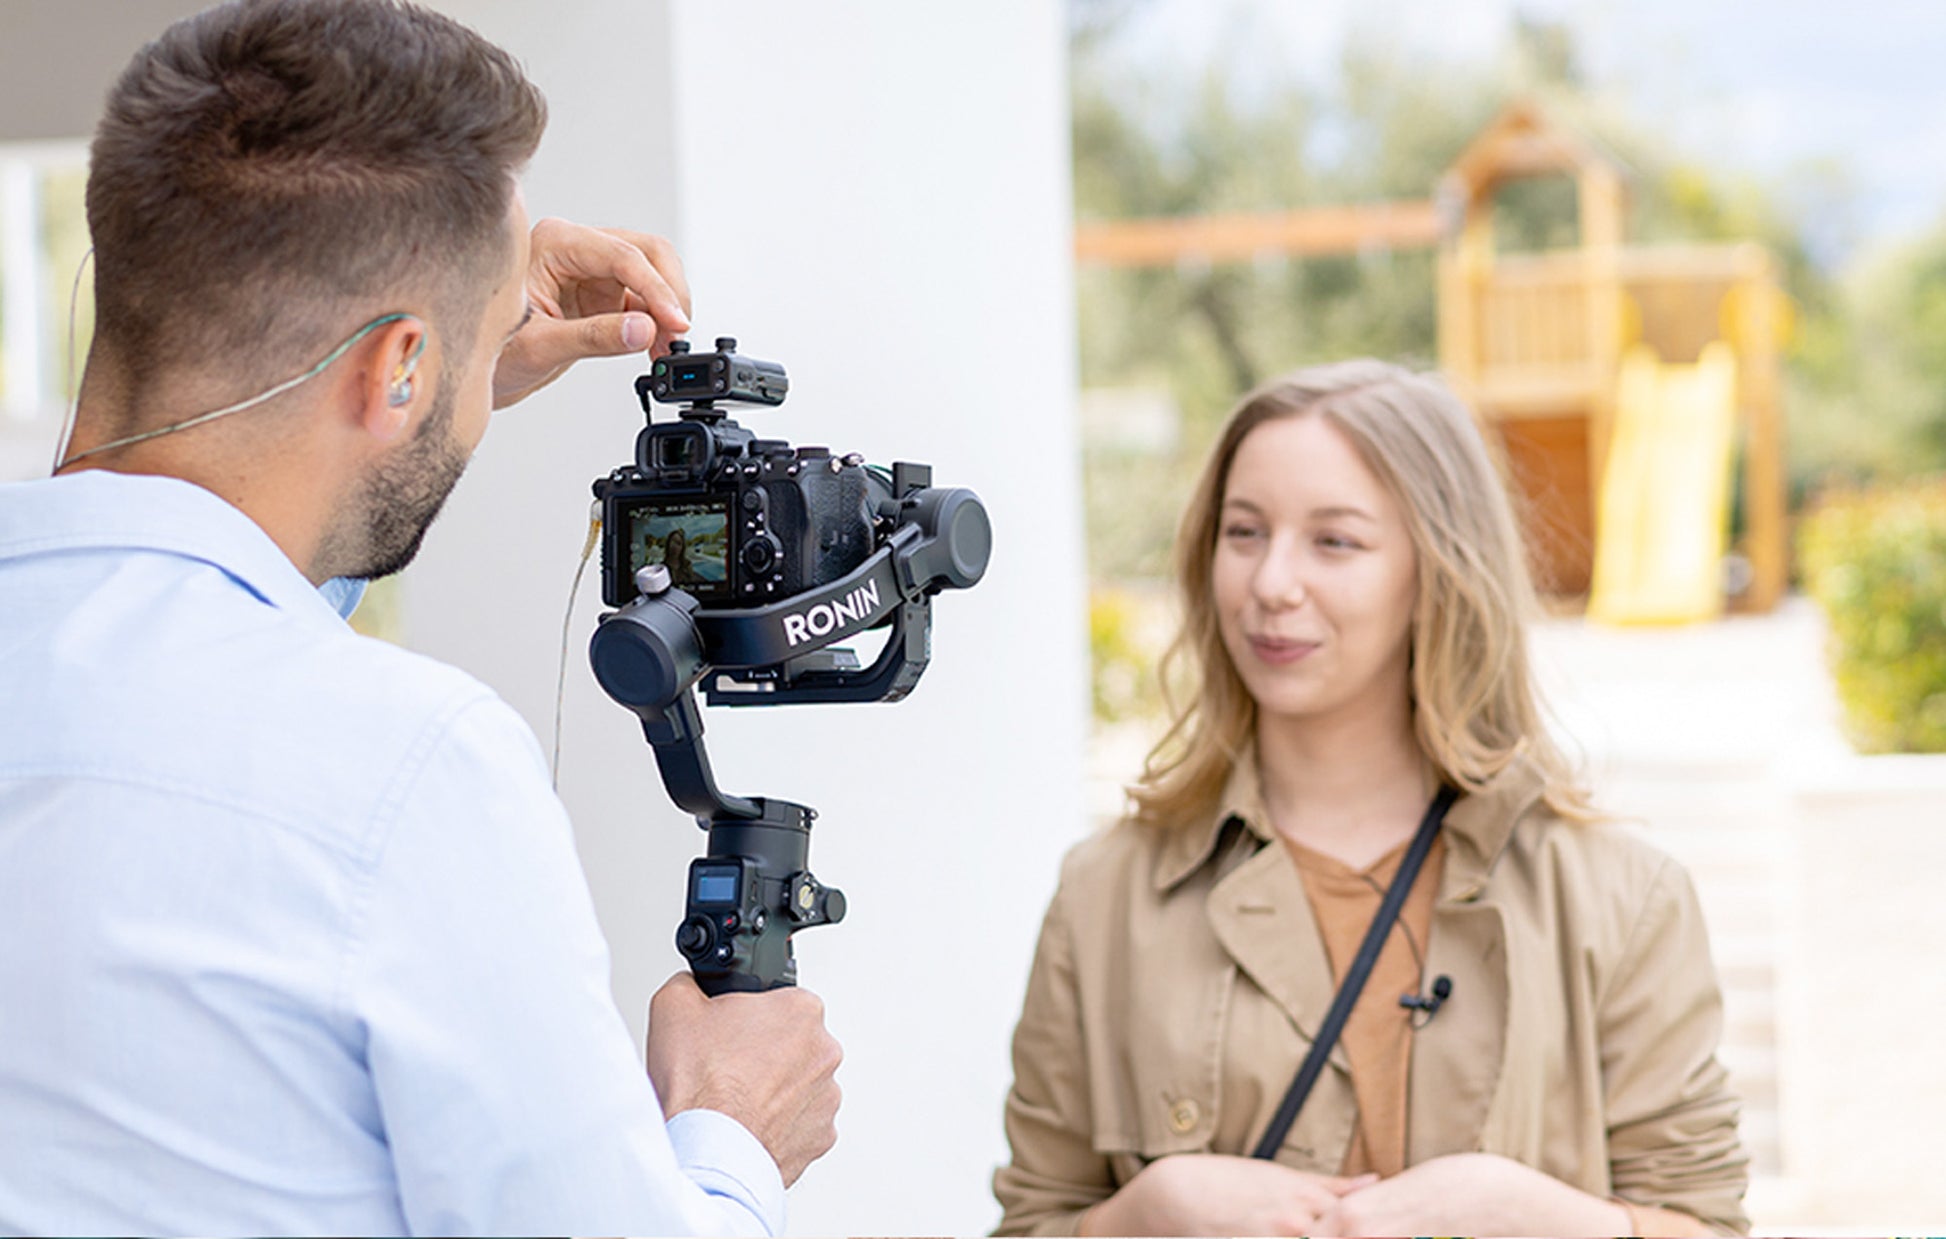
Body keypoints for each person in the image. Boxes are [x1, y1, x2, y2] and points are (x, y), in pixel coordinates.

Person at [0, 2, 839, 1234]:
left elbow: (191, 619)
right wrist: (732, 1136)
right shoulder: (406, 767)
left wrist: (443, 355)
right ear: (395, 366)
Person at [993, 360, 1749, 1237]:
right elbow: (1031, 1221)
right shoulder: (1104, 895)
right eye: (1244, 532)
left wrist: (1539, 1217)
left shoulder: (1623, 895)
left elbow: (1708, 1223)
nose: (1272, 582)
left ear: (1440, 569)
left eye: (1334, 541)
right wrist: (1138, 1219)